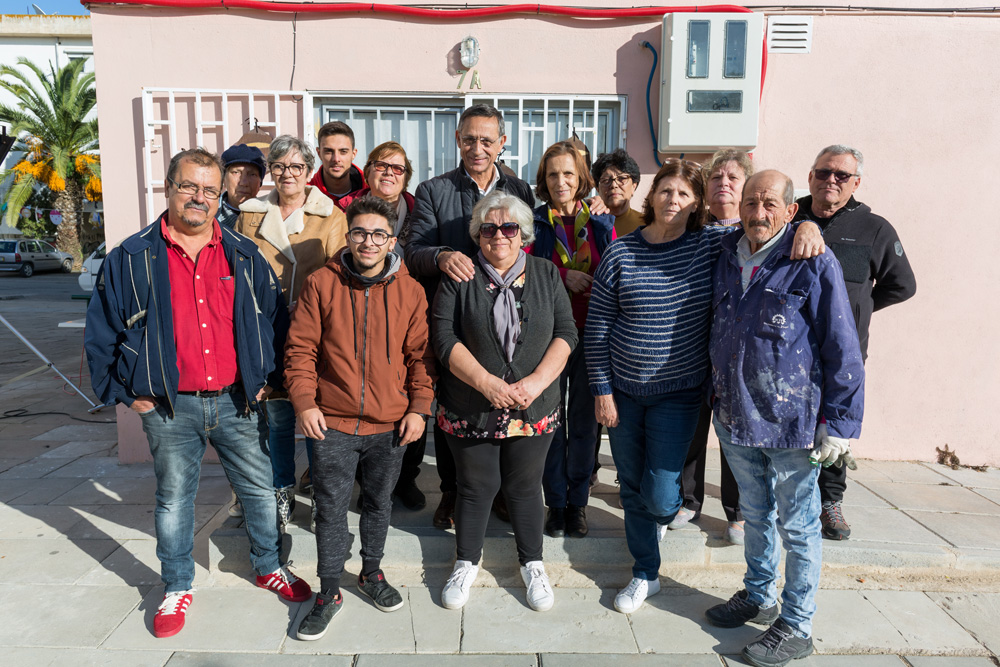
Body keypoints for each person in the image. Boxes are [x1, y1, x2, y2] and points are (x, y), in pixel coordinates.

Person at [84, 148, 311, 639]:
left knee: (258, 490)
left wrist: (267, 379)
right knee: (173, 499)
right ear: (170, 187)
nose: (199, 198)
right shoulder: (131, 256)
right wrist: (127, 393)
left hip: (236, 401)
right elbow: (102, 327)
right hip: (169, 406)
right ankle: (177, 584)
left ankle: (269, 565)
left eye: (210, 189)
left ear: (221, 195)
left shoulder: (243, 253)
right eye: (189, 186)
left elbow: (274, 321)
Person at [586, 159, 824, 614]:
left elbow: (768, 226)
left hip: (677, 393)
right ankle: (645, 573)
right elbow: (597, 326)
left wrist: (808, 226)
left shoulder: (713, 242)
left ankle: (659, 517)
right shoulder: (621, 252)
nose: (673, 201)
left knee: (658, 492)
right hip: (622, 393)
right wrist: (601, 390)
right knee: (631, 484)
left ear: (696, 204)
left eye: (683, 194)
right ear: (651, 196)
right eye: (666, 191)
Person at [706, 170, 865, 667]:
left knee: (798, 526)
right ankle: (759, 593)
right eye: (751, 202)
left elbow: (842, 343)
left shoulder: (812, 259)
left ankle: (797, 624)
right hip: (734, 416)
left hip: (791, 421)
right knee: (755, 514)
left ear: (791, 210)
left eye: (770, 203)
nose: (759, 212)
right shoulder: (726, 255)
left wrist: (840, 421)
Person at [284, 196, 435, 640]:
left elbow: (420, 358)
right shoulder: (321, 284)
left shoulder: (411, 291)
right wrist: (305, 403)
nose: (368, 242)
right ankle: (329, 590)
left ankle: (371, 573)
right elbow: (300, 351)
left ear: (392, 241)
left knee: (378, 503)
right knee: (329, 509)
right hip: (331, 423)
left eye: (378, 235)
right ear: (348, 235)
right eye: (360, 233)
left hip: (390, 425)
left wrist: (418, 408)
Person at [432, 191, 576, 612]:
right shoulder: (460, 275)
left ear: (523, 234)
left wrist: (534, 382)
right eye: (489, 228)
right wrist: (486, 383)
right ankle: (465, 562)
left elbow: (566, 333)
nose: (499, 235)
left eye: (509, 227)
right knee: (475, 488)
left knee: (525, 486)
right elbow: (443, 338)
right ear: (478, 234)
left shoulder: (547, 273)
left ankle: (532, 564)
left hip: (533, 403)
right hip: (470, 403)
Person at [404, 103, 534, 529]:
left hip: (508, 317)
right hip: (456, 317)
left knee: (505, 400)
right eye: (468, 139)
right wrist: (441, 255)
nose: (477, 148)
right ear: (457, 139)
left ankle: (497, 493)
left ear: (502, 142)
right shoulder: (433, 190)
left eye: (486, 140)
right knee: (454, 408)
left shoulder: (520, 189)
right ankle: (451, 492)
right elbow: (413, 252)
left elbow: (530, 251)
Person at [793, 144, 916, 541]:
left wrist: (853, 316)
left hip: (841, 355)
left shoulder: (875, 228)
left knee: (835, 427)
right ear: (810, 176)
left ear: (855, 183)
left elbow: (903, 285)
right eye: (824, 172)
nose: (831, 180)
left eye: (841, 176)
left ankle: (831, 501)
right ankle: (782, 496)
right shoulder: (788, 214)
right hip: (786, 348)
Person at [234, 134, 348, 530]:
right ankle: (281, 495)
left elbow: (340, 270)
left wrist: (312, 303)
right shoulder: (249, 214)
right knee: (277, 419)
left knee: (320, 418)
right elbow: (235, 271)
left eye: (297, 167)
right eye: (280, 167)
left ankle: (319, 493)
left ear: (309, 172)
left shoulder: (330, 215)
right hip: (265, 329)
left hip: (312, 330)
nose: (288, 175)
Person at [530, 141, 615, 539]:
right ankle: (556, 502)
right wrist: (562, 277)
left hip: (593, 334)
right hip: (547, 337)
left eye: (568, 173)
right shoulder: (531, 221)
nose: (560, 181)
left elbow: (617, 272)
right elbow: (522, 269)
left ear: (581, 178)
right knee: (551, 423)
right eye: (552, 174)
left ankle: (578, 503)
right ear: (543, 181)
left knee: (584, 422)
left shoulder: (601, 221)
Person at [672, 148, 754, 545]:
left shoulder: (758, 231)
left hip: (736, 351)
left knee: (733, 432)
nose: (723, 184)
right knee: (692, 428)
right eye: (716, 178)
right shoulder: (692, 231)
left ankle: (737, 511)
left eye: (732, 178)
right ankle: (689, 499)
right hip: (691, 346)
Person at [308, 121, 367, 211]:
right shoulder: (305, 195)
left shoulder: (371, 193)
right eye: (328, 151)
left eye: (343, 151)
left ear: (353, 154)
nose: (336, 159)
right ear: (319, 153)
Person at [592, 148, 643, 236]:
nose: (614, 185)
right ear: (597, 188)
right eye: (606, 180)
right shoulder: (588, 222)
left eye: (622, 179)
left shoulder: (648, 224)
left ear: (633, 186)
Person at [216, 143, 265, 229]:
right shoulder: (210, 215)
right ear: (224, 179)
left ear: (260, 183)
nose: (243, 182)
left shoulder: (269, 217)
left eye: (252, 174)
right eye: (236, 172)